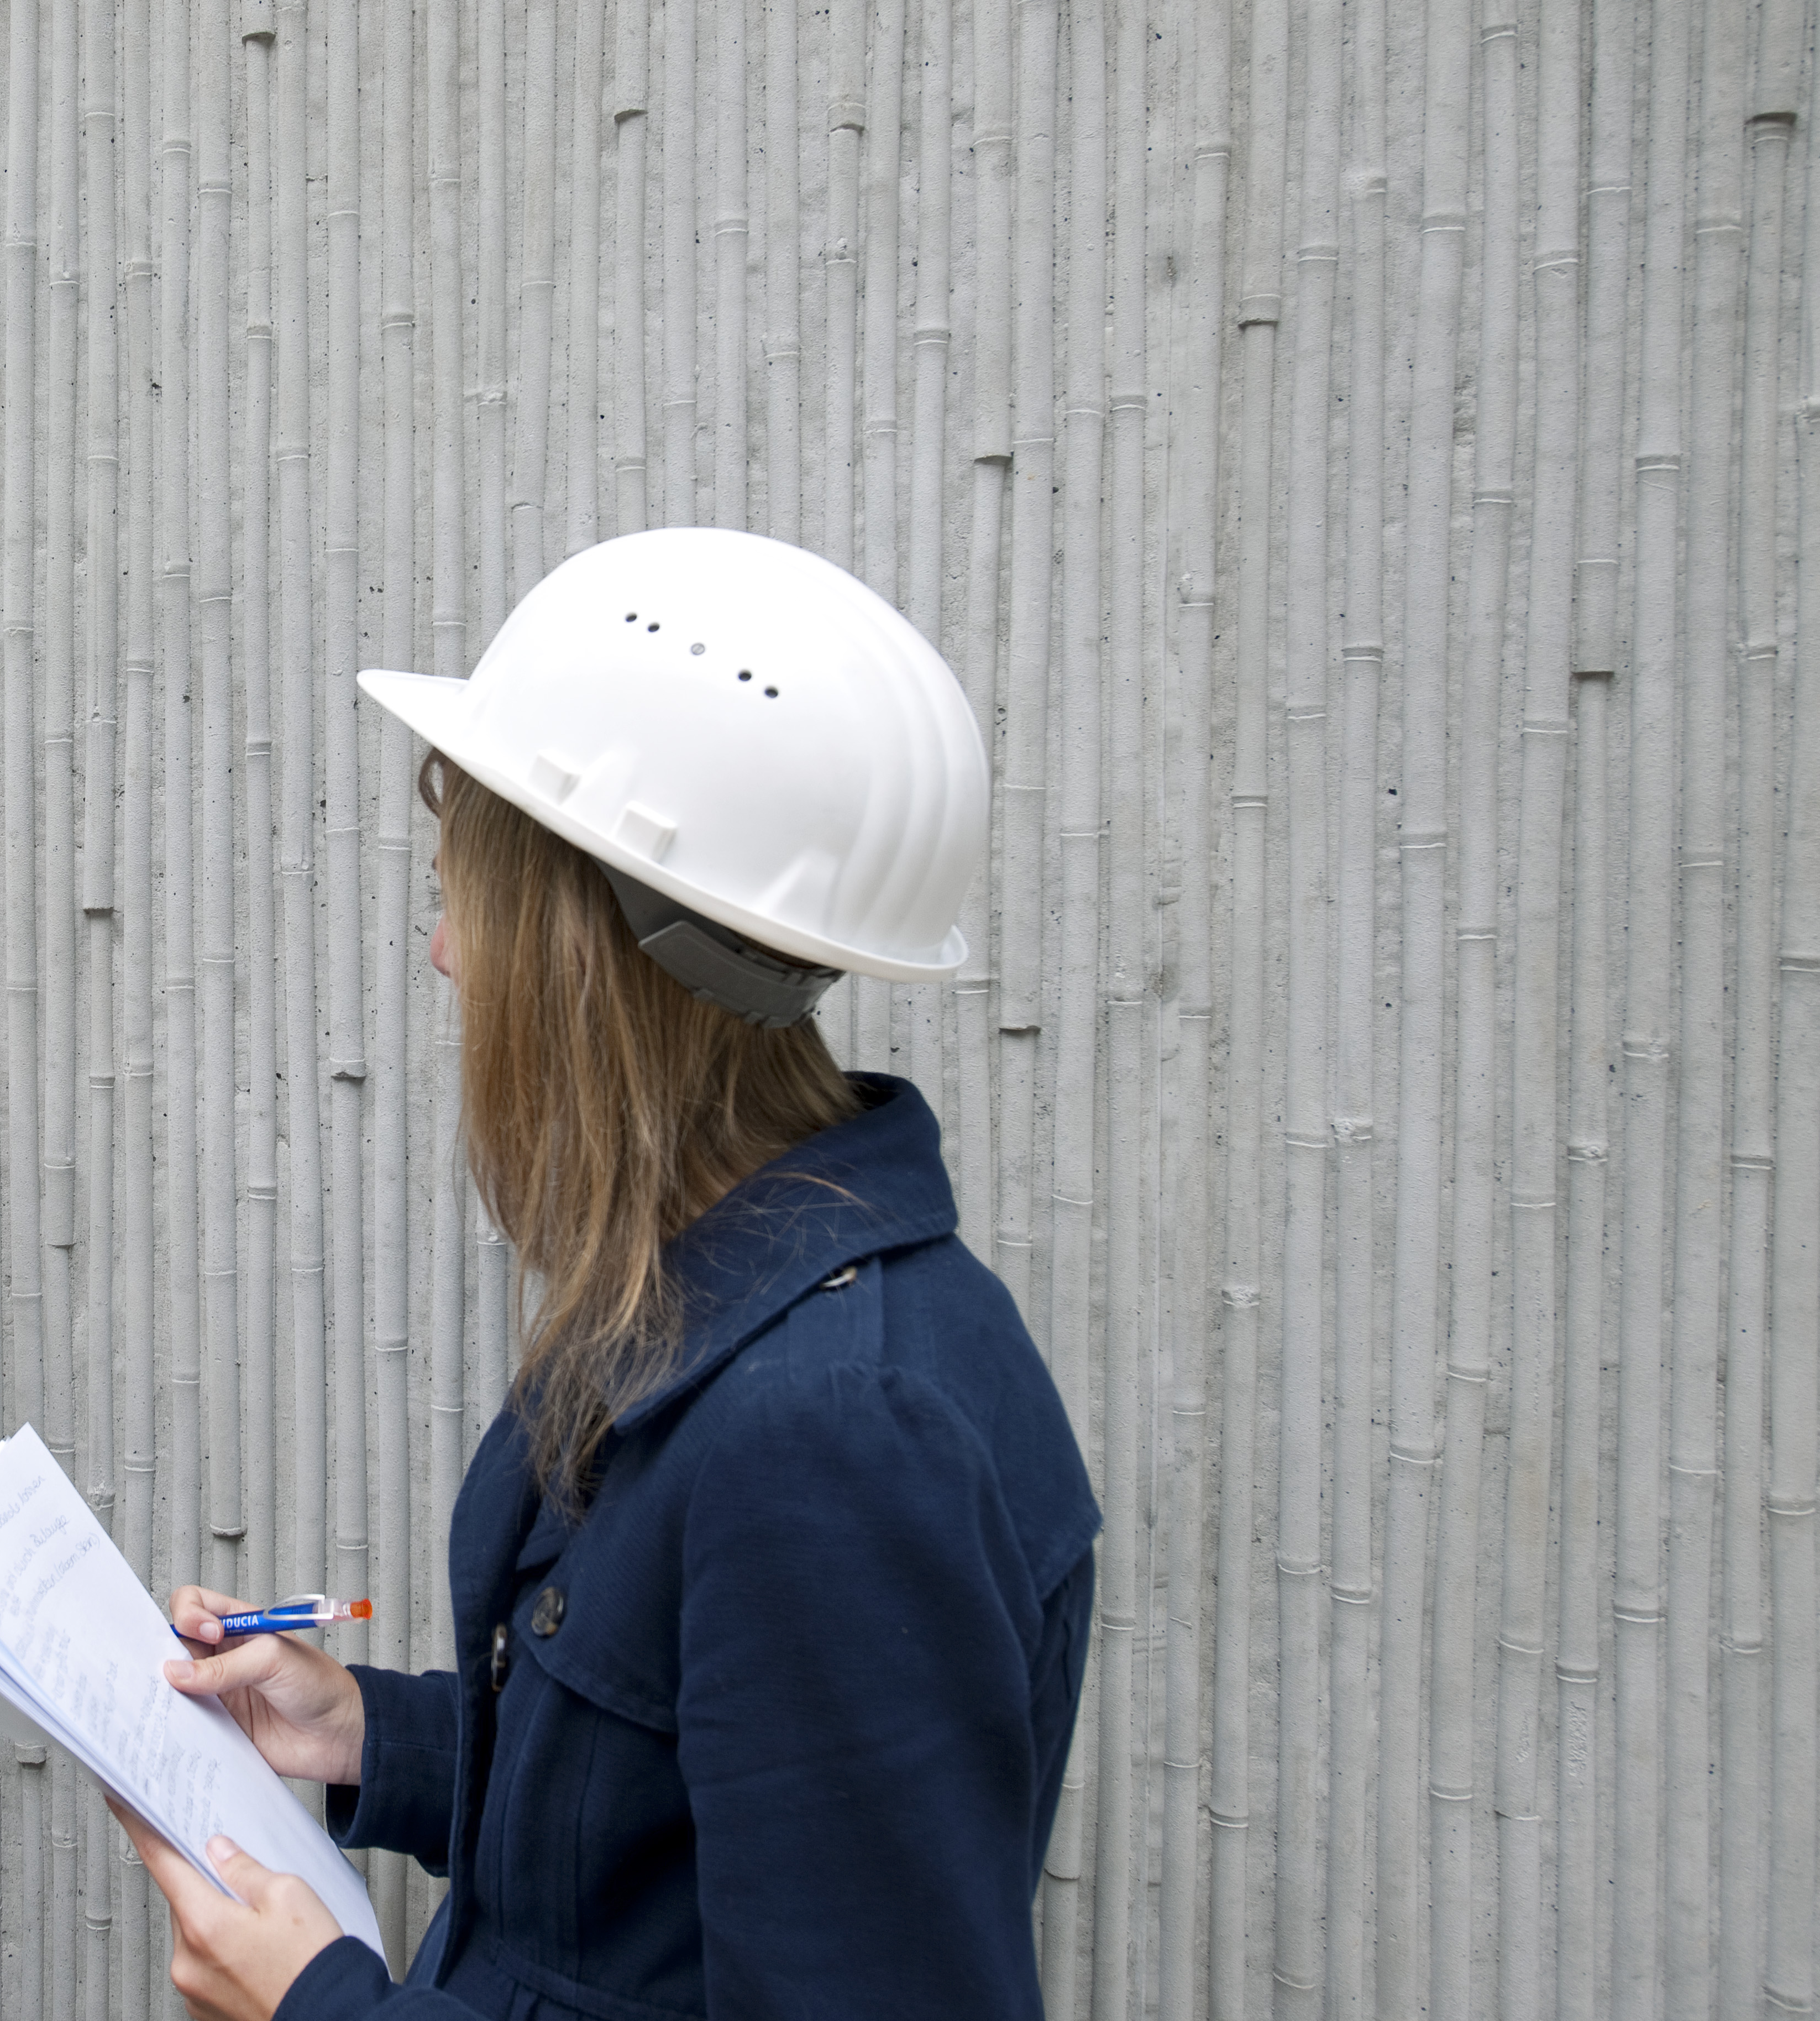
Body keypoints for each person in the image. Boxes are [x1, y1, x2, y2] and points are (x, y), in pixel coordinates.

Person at [113, 527, 1100, 2019]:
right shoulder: (721, 1305)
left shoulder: (831, 1435)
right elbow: (672, 1839)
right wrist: (366, 1738)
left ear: (586, 949)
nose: (446, 954)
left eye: (472, 898)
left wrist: (318, 2012)